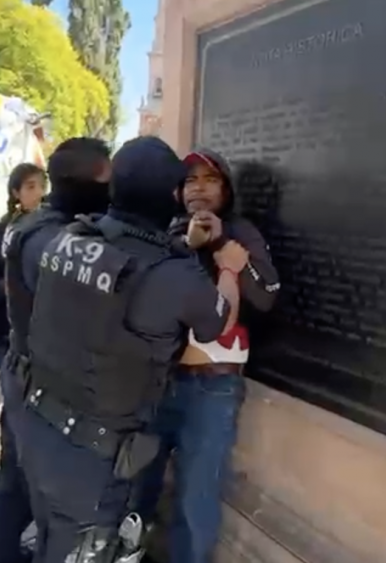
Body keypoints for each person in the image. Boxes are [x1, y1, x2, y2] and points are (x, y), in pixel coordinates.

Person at [4, 136, 243, 562]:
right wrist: (228, 268)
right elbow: (217, 319)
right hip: (93, 458)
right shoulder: (173, 275)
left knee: (51, 539)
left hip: (40, 425)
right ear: (172, 195)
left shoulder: (64, 239)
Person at [137, 149, 279, 563]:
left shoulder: (242, 232)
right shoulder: (165, 231)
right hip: (158, 380)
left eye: (209, 179)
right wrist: (187, 244)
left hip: (212, 387)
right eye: (190, 180)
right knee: (137, 486)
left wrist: (224, 247)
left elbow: (266, 297)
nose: (199, 188)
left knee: (196, 500)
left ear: (226, 189)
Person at [0, 137, 113, 563]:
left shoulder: (33, 225)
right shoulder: (56, 238)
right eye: (105, 178)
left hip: (23, 369)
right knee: (50, 500)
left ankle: (2, 554)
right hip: (41, 385)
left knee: (19, 478)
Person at [0, 162, 47, 364]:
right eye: (31, 187)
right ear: (16, 192)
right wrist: (9, 287)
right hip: (8, 330)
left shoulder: (54, 228)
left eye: (42, 186)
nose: (39, 193)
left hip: (45, 332)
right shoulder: (1, 231)